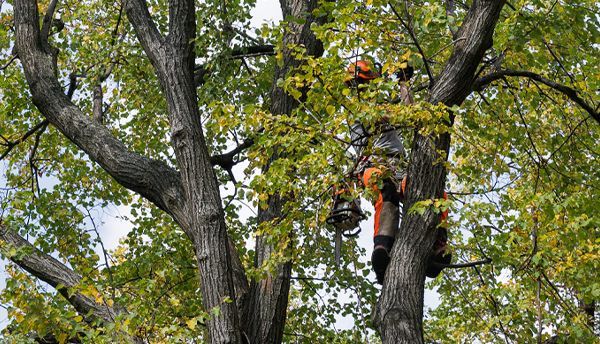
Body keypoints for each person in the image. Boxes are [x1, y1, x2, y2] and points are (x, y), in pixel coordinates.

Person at [345, 59, 450, 284]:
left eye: (364, 85)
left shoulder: (379, 104)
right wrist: (397, 85)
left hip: (399, 166)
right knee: (387, 190)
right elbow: (405, 114)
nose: (361, 90)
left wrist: (404, 84)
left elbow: (413, 116)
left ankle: (437, 245)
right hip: (372, 165)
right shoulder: (359, 109)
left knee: (434, 192)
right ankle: (382, 248)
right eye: (359, 85)